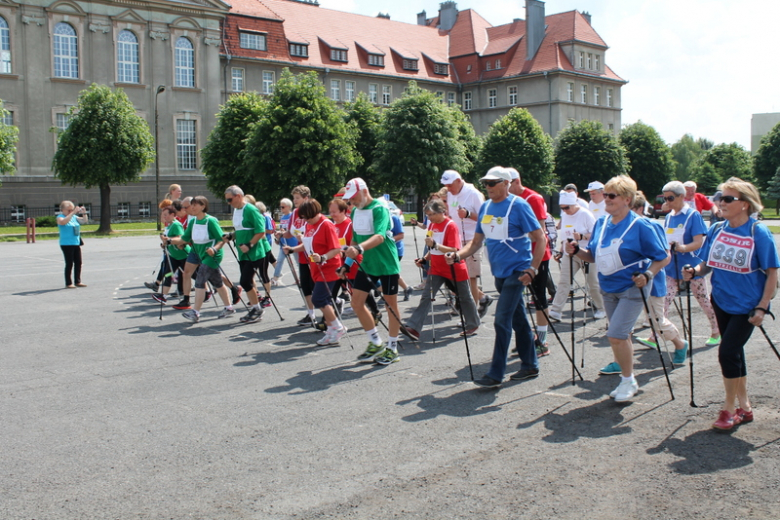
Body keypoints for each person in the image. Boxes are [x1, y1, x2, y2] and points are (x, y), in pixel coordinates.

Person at [684, 177, 779, 430]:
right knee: (734, 352)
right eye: (719, 198)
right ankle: (745, 407)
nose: (720, 203)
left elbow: (772, 273)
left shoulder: (758, 232)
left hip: (748, 305)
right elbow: (706, 265)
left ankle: (728, 409)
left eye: (727, 199)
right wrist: (694, 271)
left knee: (727, 352)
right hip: (722, 300)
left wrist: (762, 306)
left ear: (745, 204)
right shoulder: (717, 229)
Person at [565, 175, 669, 402]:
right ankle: (627, 378)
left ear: (627, 199)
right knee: (621, 336)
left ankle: (627, 380)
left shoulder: (640, 226)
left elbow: (663, 257)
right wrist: (576, 252)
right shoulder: (601, 223)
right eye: (605, 195)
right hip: (608, 287)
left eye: (612, 195)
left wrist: (648, 274)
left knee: (616, 335)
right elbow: (592, 256)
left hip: (632, 287)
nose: (606, 199)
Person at [446, 167, 546, 388]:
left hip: (518, 272)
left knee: (502, 321)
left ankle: (495, 373)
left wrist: (532, 269)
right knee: (518, 319)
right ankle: (530, 365)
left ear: (506, 183)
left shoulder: (519, 205)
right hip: (499, 273)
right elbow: (476, 242)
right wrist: (457, 255)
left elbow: (541, 238)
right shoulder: (486, 207)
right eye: (486, 183)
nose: (488, 187)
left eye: (493, 183)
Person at [640, 181, 720, 349]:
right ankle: (655, 335)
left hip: (691, 267)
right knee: (665, 301)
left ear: (681, 197)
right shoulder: (669, 217)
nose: (667, 202)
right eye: (665, 198)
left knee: (703, 300)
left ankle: (716, 331)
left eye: (670, 198)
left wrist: (683, 248)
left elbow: (699, 242)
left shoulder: (693, 215)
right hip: (670, 267)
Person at [343, 178, 403, 365]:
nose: (351, 201)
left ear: (364, 191)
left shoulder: (379, 208)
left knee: (390, 306)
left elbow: (379, 236)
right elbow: (354, 239)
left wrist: (359, 249)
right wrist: (346, 264)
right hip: (368, 264)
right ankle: (376, 342)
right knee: (357, 303)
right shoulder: (355, 211)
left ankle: (392, 348)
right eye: (349, 198)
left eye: (353, 197)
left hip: (386, 264)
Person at [406, 199, 480, 339]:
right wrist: (424, 259)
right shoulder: (432, 225)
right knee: (427, 296)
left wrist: (436, 245)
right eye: (427, 215)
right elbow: (431, 247)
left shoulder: (450, 226)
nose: (429, 218)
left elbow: (454, 249)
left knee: (464, 297)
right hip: (437, 268)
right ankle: (414, 327)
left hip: (454, 267)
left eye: (431, 214)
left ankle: (473, 323)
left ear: (441, 212)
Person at [284, 199, 348, 346]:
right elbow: (306, 244)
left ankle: (337, 327)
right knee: (322, 299)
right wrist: (293, 249)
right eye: (304, 218)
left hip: (330, 267)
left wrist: (323, 257)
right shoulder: (309, 224)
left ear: (315, 213)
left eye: (308, 217)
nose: (306, 220)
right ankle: (333, 328)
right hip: (316, 268)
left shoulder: (327, 225)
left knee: (319, 299)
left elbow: (337, 248)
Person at [507, 167, 553, 355]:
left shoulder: (532, 198)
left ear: (516, 181)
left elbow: (540, 232)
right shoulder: (508, 201)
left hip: (537, 256)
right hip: (517, 256)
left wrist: (514, 238)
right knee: (517, 299)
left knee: (538, 297)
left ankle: (542, 340)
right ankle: (526, 338)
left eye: (506, 185)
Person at [169, 196, 235, 323]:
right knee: (217, 282)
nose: (192, 207)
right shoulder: (193, 222)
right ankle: (229, 307)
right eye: (191, 205)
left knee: (200, 280)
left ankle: (195, 312)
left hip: (211, 256)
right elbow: (184, 238)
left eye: (195, 205)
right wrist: (169, 241)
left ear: (203, 206)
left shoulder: (210, 221)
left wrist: (214, 249)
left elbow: (222, 239)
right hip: (197, 252)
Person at [440, 170, 492, 317]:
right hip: (456, 240)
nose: (448, 189)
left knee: (470, 277)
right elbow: (451, 215)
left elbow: (486, 219)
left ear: (458, 181)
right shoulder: (451, 194)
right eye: (446, 186)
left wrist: (469, 214)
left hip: (473, 240)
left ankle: (471, 316)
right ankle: (482, 298)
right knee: (457, 277)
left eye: (450, 185)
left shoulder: (474, 194)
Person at [548, 190, 605, 322]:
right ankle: (556, 310)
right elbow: (565, 236)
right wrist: (561, 251)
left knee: (593, 283)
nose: (565, 210)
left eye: (567, 207)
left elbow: (596, 235)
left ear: (574, 204)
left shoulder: (585, 214)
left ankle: (601, 308)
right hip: (570, 254)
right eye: (562, 208)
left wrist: (582, 236)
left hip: (586, 253)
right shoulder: (566, 215)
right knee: (564, 281)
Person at [221, 185, 270, 324]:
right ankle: (256, 308)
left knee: (244, 281)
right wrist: (231, 236)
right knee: (247, 281)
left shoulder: (251, 209)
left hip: (255, 253)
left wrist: (249, 244)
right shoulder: (237, 210)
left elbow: (261, 231)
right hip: (243, 253)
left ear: (238, 196)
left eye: (230, 200)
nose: (228, 203)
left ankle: (257, 309)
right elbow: (241, 230)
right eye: (227, 200)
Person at [284, 186, 318, 326]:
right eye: (294, 198)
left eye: (297, 198)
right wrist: (281, 235)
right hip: (301, 253)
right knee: (305, 285)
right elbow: (290, 232)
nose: (295, 200)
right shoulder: (295, 213)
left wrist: (304, 237)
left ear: (306, 198)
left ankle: (334, 306)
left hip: (314, 253)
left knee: (316, 284)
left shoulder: (312, 212)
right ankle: (311, 315)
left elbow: (316, 232)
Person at [152, 205, 190, 303]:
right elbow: (168, 240)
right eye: (163, 215)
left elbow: (180, 238)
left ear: (172, 215)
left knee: (194, 275)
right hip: (173, 256)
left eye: (166, 215)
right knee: (168, 274)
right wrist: (164, 244)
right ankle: (163, 296)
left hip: (183, 255)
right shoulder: (168, 226)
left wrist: (169, 240)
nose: (164, 217)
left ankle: (207, 290)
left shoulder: (176, 225)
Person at [56, 200, 89, 288]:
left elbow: (84, 221)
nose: (70, 212)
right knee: (69, 263)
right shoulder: (60, 217)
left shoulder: (74, 217)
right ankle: (68, 282)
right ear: (62, 210)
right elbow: (63, 222)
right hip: (66, 244)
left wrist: (84, 212)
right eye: (68, 210)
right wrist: (73, 213)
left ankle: (78, 281)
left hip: (76, 242)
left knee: (78, 262)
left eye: (72, 210)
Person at [390, 212, 413, 301]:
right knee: (390, 273)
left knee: (390, 273)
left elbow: (401, 235)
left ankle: (389, 294)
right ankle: (407, 288)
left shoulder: (394, 218)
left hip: (396, 250)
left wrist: (387, 241)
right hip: (384, 251)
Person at [272, 198, 294, 285]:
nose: (281, 209)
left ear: (288, 207)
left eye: (283, 207)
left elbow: (292, 229)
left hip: (293, 242)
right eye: (280, 207)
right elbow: (282, 229)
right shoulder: (283, 217)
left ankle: (301, 277)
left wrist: (283, 232)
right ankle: (275, 277)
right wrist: (278, 238)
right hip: (283, 243)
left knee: (298, 262)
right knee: (280, 260)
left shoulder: (292, 216)